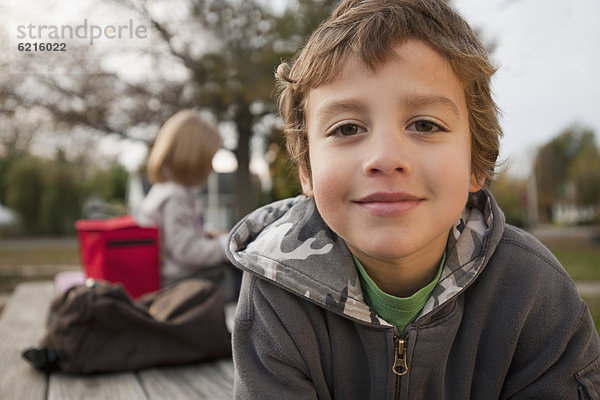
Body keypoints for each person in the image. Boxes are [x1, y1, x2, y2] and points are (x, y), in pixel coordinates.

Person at [226, 0, 600, 398]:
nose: (386, 158)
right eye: (347, 127)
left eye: (424, 124)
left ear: (476, 163)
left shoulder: (533, 291)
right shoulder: (277, 289)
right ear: (307, 171)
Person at [138, 109, 238, 300]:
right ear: (193, 158)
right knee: (239, 277)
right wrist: (228, 245)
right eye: (208, 160)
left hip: (180, 276)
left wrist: (209, 233)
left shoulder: (171, 191)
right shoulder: (174, 197)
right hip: (177, 283)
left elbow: (181, 233)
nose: (212, 168)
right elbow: (186, 252)